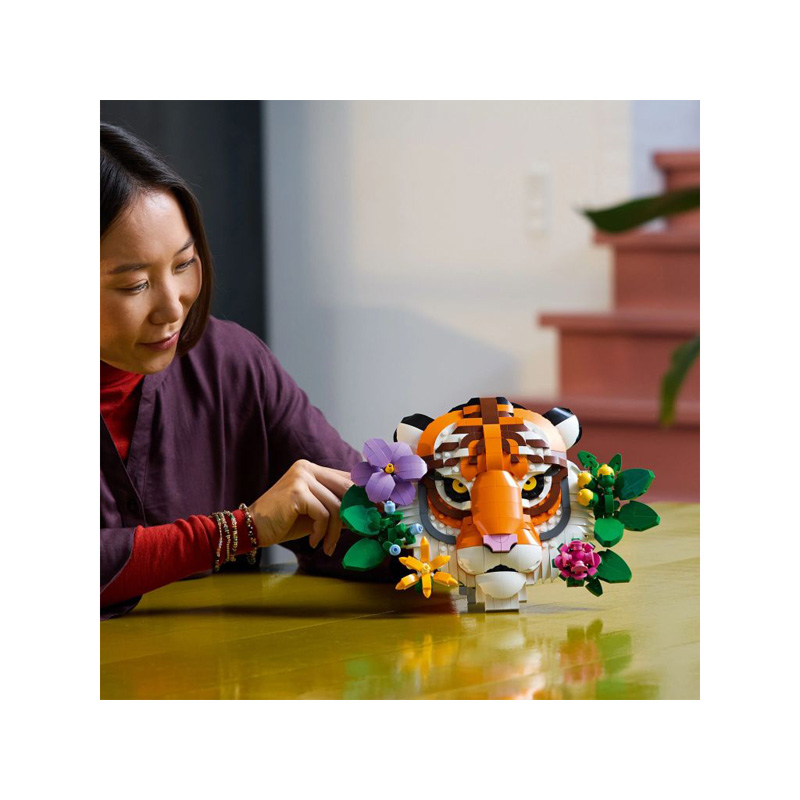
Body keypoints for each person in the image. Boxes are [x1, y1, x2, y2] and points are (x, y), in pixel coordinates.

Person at [100, 122, 397, 620]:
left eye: (183, 264)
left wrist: (459, 509)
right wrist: (239, 531)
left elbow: (360, 521)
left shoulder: (230, 362)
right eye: (134, 285)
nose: (172, 307)